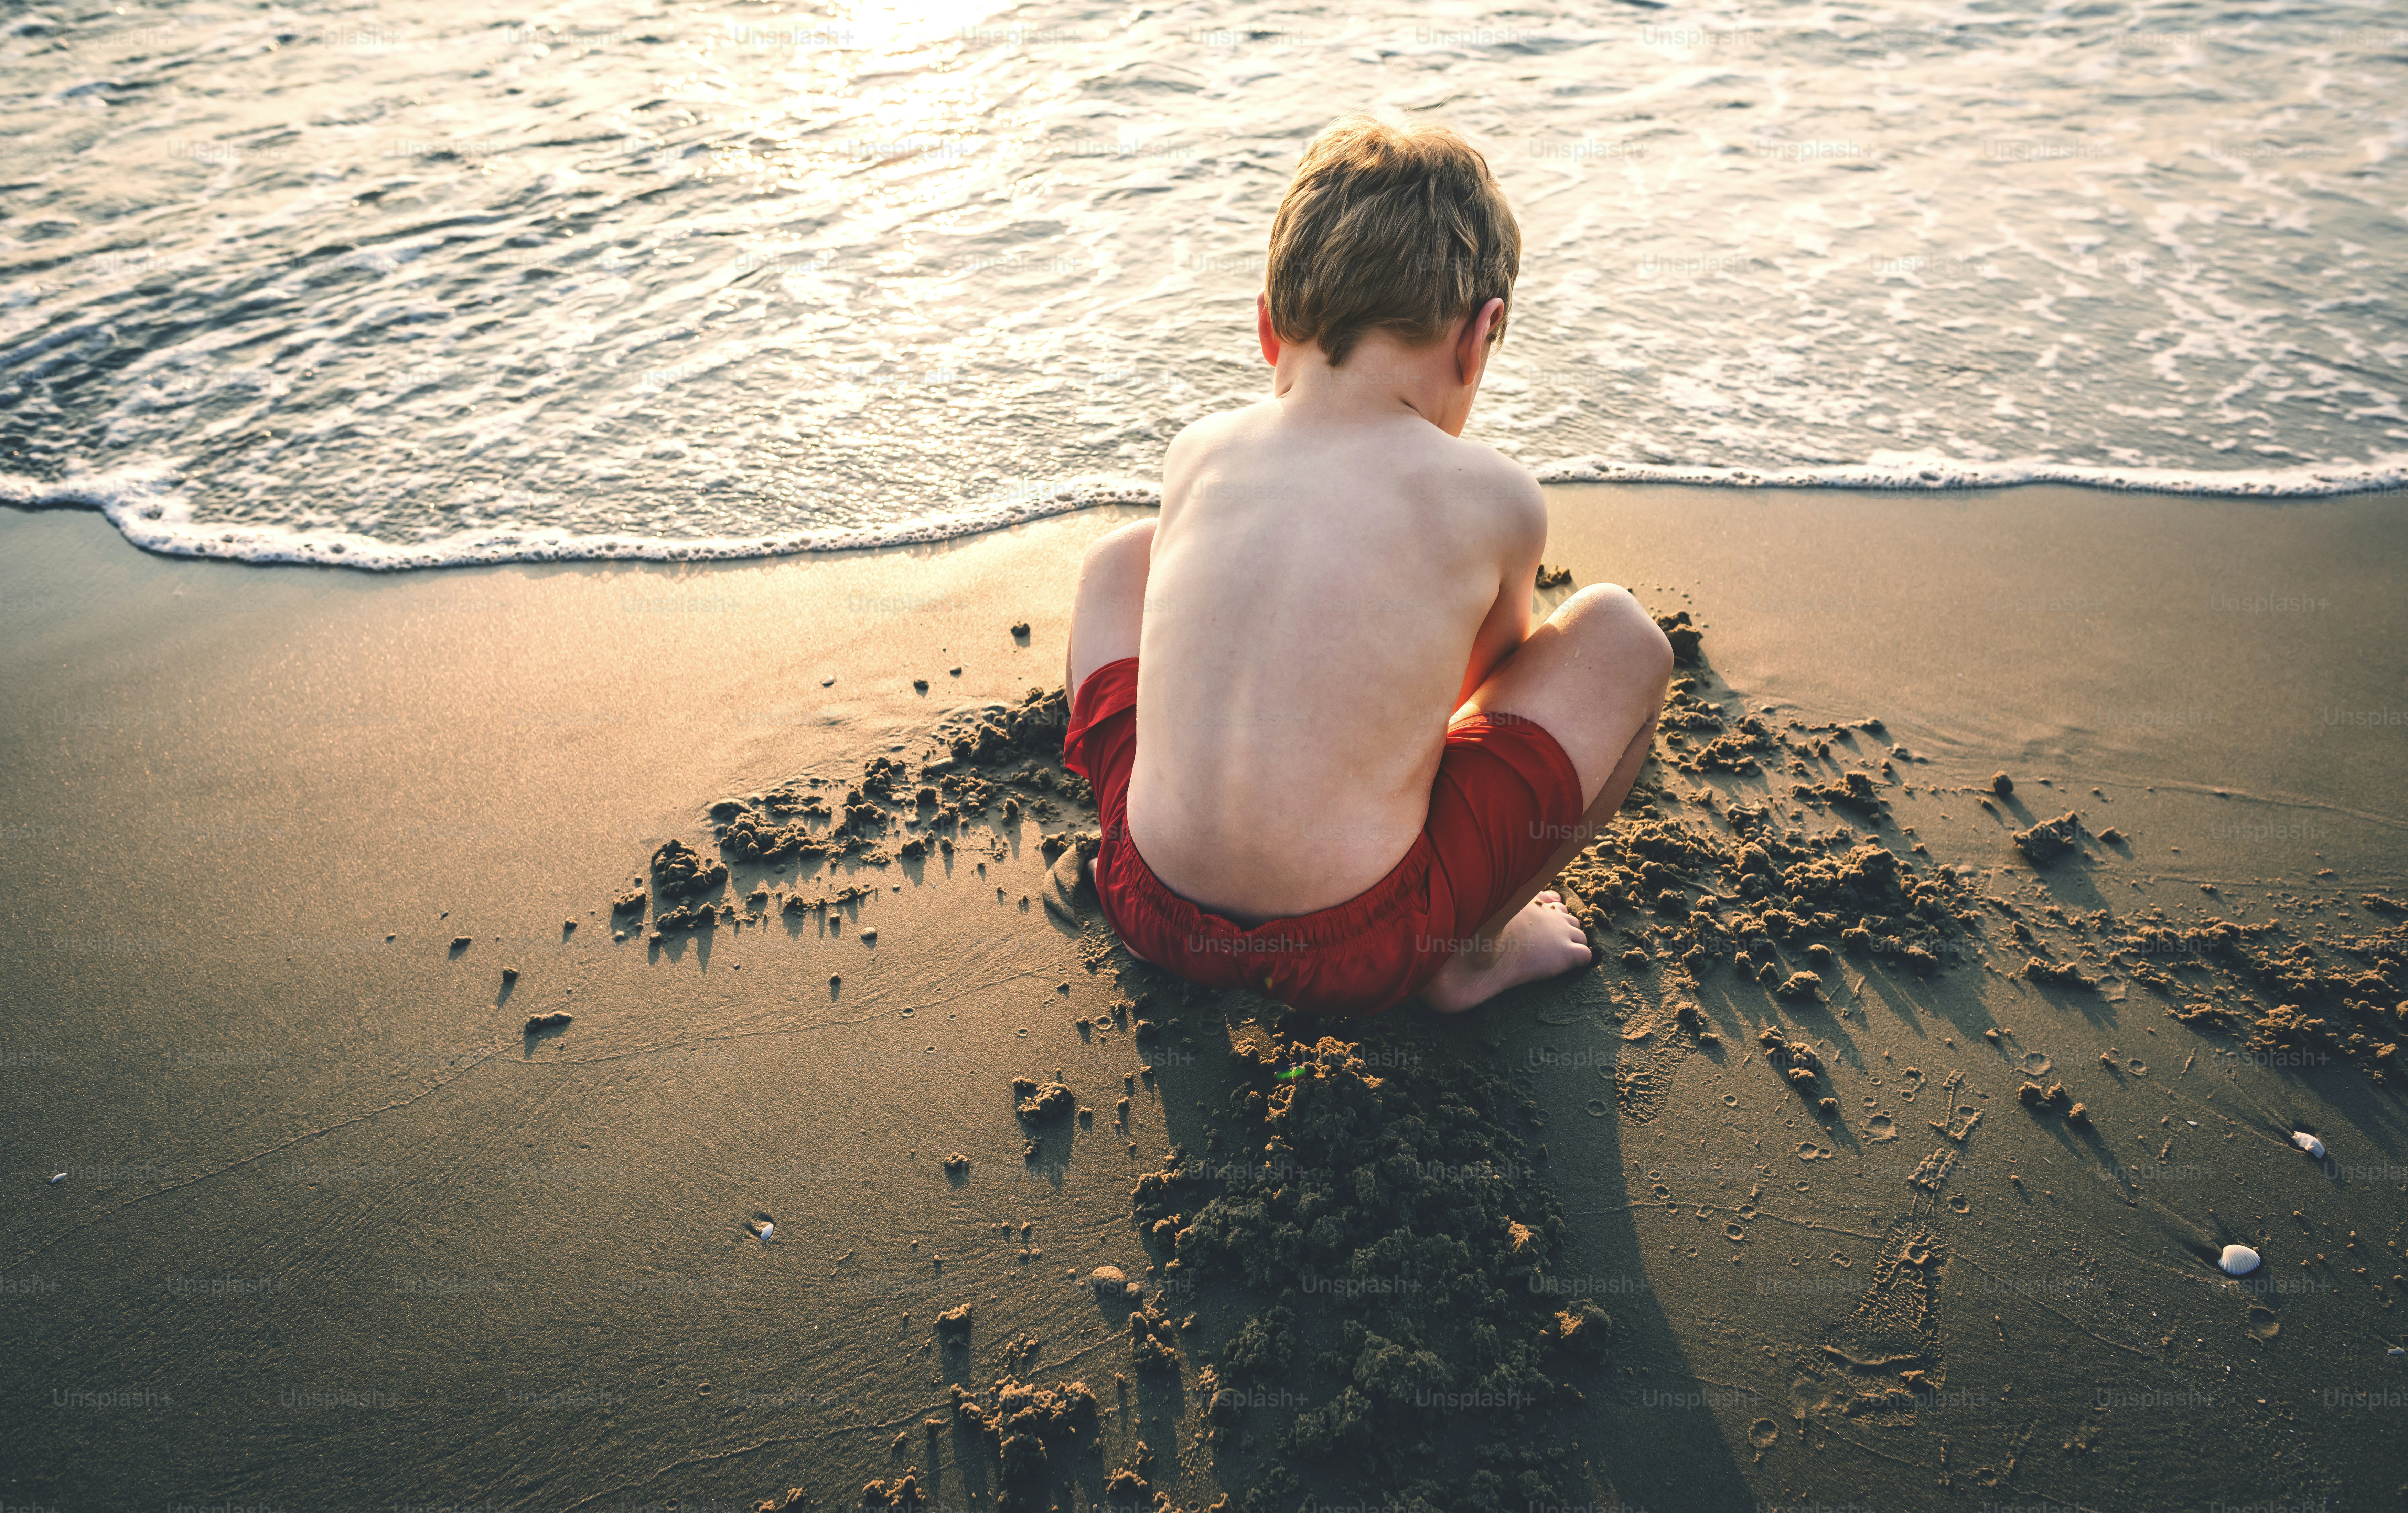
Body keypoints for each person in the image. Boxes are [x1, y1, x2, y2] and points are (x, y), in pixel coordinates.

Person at [1061, 114, 1673, 1015]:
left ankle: (1135, 838)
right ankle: (1468, 958)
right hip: (1361, 945)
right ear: (1479, 336)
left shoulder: (1200, 449)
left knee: (1122, 559)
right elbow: (1479, 698)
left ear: (1269, 329)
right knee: (1623, 635)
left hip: (1150, 904)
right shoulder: (1495, 495)